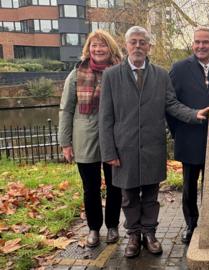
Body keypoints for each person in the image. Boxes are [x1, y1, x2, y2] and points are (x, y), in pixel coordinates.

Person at [99, 26, 209, 258]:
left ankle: (149, 233)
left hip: (152, 146)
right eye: (133, 42)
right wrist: (109, 151)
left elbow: (172, 104)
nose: (138, 46)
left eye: (142, 42)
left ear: (149, 46)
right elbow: (105, 117)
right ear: (126, 45)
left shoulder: (161, 75)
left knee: (151, 194)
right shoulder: (111, 76)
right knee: (128, 196)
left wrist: (195, 114)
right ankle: (133, 235)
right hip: (124, 148)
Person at [58, 29, 123, 248]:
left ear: (110, 48)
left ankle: (113, 226)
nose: (98, 49)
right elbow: (66, 109)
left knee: (115, 185)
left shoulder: (120, 71)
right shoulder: (77, 73)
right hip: (84, 136)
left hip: (114, 136)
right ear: (89, 48)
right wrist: (65, 142)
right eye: (94, 45)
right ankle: (94, 228)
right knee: (90, 187)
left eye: (103, 45)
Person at [168, 26, 209, 244]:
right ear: (192, 44)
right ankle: (191, 223)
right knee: (189, 186)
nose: (201, 46)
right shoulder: (178, 69)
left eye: (206, 42)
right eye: (197, 42)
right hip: (189, 136)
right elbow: (170, 103)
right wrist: (178, 131)